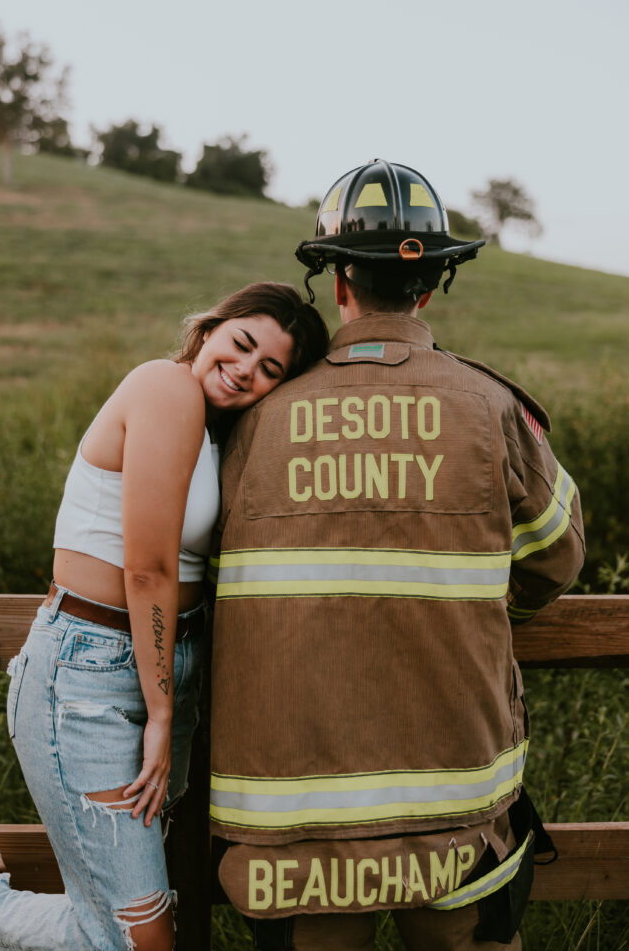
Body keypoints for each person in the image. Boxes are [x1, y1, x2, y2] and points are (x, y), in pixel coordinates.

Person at [209, 161, 585, 951]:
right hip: (453, 827)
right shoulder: (491, 408)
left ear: (338, 280)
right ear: (431, 284)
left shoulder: (253, 418)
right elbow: (555, 560)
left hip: (290, 836)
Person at [0, 282, 329, 951]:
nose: (245, 371)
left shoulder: (211, 432)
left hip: (160, 668)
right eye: (241, 345)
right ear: (209, 330)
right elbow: (147, 568)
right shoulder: (165, 388)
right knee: (136, 941)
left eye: (270, 370)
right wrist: (160, 713)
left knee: (134, 917)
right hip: (89, 674)